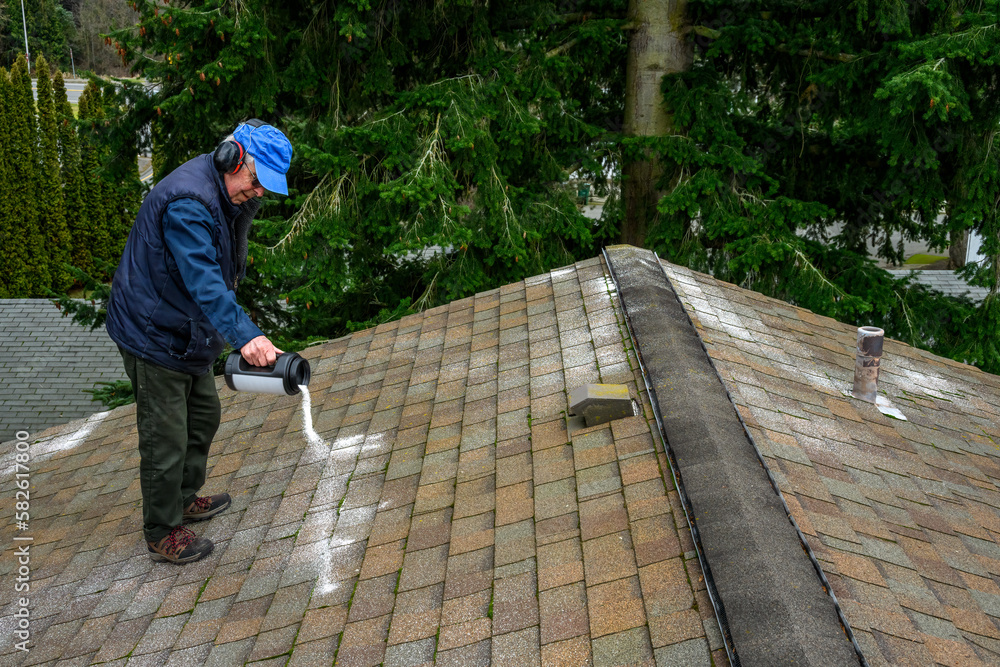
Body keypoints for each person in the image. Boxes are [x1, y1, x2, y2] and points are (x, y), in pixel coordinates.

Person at [106, 120, 292, 563]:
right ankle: (162, 530)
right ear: (233, 158)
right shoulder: (188, 203)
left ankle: (183, 499)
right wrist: (247, 336)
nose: (260, 193)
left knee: (203, 416)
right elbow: (206, 284)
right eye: (256, 180)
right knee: (165, 437)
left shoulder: (228, 196)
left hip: (186, 332)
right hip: (153, 334)